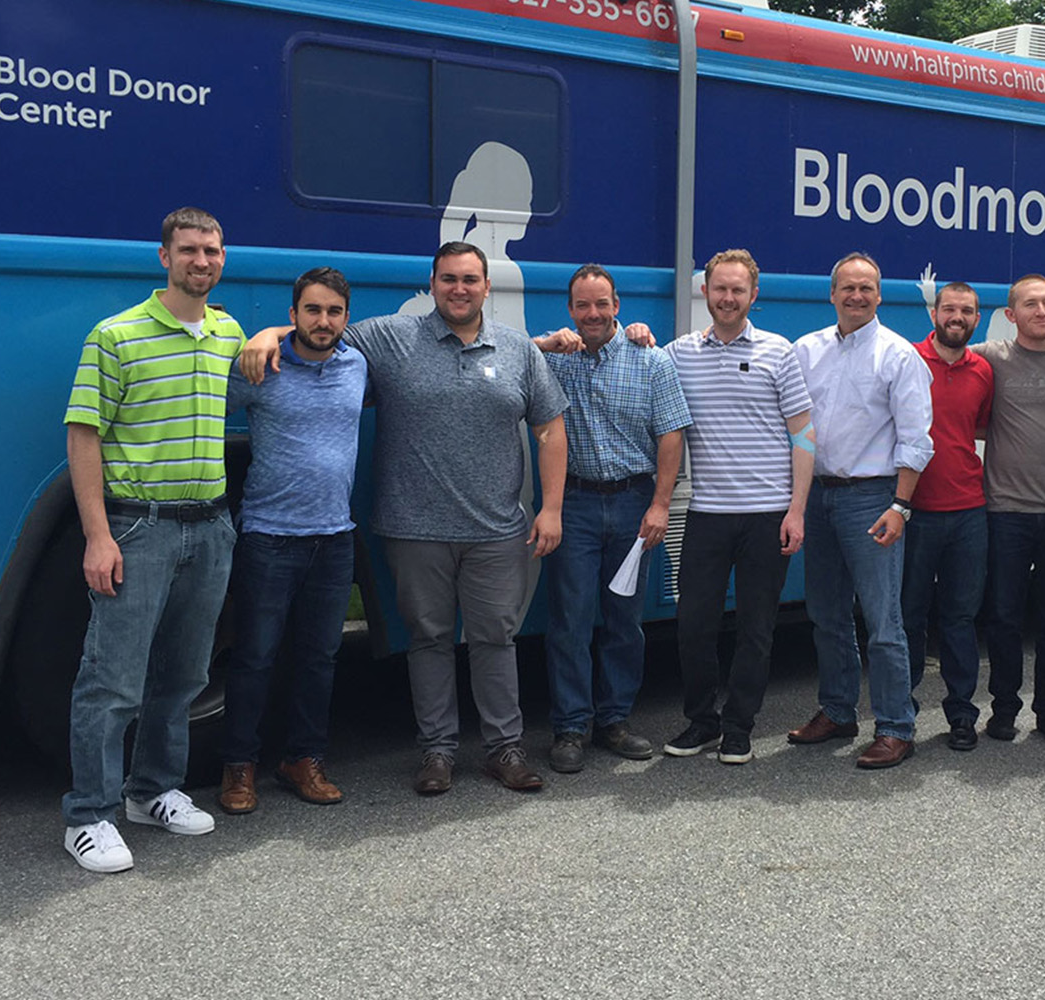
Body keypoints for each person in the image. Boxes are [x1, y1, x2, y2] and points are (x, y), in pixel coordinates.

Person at [241, 242, 567, 795]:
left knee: (495, 640)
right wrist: (267, 334)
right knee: (429, 641)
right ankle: (436, 753)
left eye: (469, 279)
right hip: (414, 529)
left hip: (496, 531)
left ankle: (503, 749)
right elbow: (320, 329)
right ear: (433, 284)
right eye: (447, 279)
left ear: (487, 287)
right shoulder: (392, 336)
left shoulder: (517, 350)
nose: (458, 289)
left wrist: (552, 509)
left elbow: (550, 428)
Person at [60, 207, 243, 873]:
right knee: (112, 681)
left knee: (186, 673)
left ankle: (153, 790)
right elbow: (84, 435)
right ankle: (89, 814)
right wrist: (97, 535)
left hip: (211, 526)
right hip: (139, 527)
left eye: (213, 250)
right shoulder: (116, 336)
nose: (203, 260)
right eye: (190, 250)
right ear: (163, 257)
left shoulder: (226, 332)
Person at [217, 267, 368, 814]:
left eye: (333, 312)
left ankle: (303, 759)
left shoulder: (358, 364)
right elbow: (209, 405)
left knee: (319, 658)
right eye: (312, 310)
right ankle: (239, 768)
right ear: (293, 315)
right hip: (268, 538)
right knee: (254, 658)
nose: (322, 321)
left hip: (335, 539)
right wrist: (260, 339)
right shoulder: (262, 367)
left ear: (346, 319)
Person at [532, 265, 692, 773]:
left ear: (617, 306)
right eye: (582, 305)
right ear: (570, 310)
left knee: (625, 622)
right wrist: (544, 343)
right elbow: (508, 355)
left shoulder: (652, 360)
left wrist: (661, 505)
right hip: (574, 505)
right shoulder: (556, 361)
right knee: (570, 621)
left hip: (632, 504)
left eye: (602, 304)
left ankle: (615, 720)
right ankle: (571, 727)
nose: (593, 314)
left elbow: (671, 435)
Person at [662, 249, 814, 765]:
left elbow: (805, 436)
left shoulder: (779, 352)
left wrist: (796, 510)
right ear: (704, 291)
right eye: (719, 289)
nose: (728, 298)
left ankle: (738, 728)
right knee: (693, 624)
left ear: (754, 295)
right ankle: (700, 721)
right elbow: (638, 371)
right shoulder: (680, 353)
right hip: (705, 513)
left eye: (738, 290)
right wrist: (633, 332)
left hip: (768, 514)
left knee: (755, 628)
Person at [785, 253, 933, 769]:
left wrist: (901, 506)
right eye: (847, 288)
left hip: (873, 498)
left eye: (866, 288)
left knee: (883, 620)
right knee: (825, 613)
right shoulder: (807, 351)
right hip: (820, 495)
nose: (856, 296)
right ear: (832, 294)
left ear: (879, 295)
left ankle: (896, 727)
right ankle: (838, 711)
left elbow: (917, 441)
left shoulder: (898, 356)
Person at [975, 274, 1045, 748]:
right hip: (1006, 511)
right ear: (1010, 314)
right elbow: (942, 356)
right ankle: (1003, 709)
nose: (1041, 311)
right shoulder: (990, 357)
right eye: (1030, 304)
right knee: (1002, 616)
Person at [902, 281, 993, 751]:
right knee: (910, 616)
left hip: (968, 512)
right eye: (950, 309)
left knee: (960, 618)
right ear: (935, 312)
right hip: (915, 512)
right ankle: (902, 715)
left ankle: (961, 714)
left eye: (968, 311)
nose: (957, 317)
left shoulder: (983, 371)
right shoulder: (909, 361)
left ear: (978, 319)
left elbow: (979, 426)